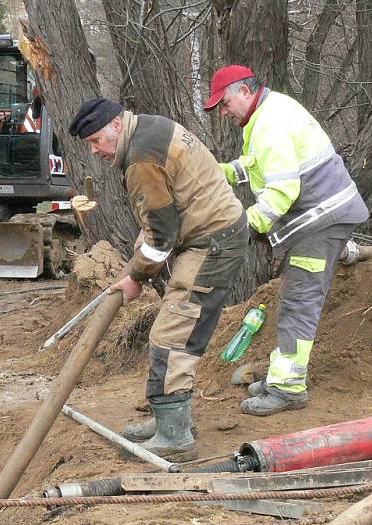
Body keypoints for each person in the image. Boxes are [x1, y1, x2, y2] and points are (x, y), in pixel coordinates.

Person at [69, 98, 248, 461]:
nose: (95, 151)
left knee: (172, 335)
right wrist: (148, 229)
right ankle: (168, 418)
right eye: (89, 145)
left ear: (116, 126)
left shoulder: (140, 158)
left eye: (96, 141)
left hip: (211, 241)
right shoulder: (150, 125)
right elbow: (165, 203)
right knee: (176, 330)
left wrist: (135, 277)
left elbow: (163, 237)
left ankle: (174, 436)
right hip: (211, 232)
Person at [204, 65, 369, 416]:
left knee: (298, 300)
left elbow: (282, 189)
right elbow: (261, 167)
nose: (223, 111)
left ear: (245, 92)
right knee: (295, 298)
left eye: (225, 102)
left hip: (321, 221)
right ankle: (282, 377)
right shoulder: (267, 114)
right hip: (324, 216)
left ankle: (289, 387)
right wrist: (221, 172)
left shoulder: (268, 124)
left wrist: (243, 225)